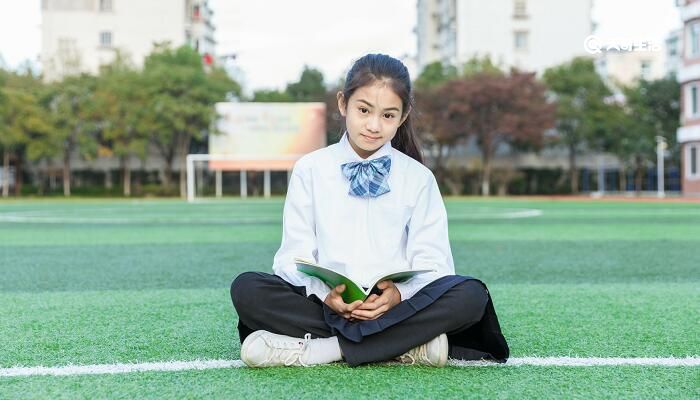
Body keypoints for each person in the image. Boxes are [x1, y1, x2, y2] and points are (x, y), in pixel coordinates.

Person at [231, 53, 509, 368]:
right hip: (326, 305)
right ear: (342, 104)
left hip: (397, 307)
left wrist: (399, 295)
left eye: (388, 115)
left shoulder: (418, 178)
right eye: (364, 110)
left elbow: (435, 263)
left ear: (403, 117)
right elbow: (291, 258)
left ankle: (326, 349)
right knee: (247, 288)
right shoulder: (310, 169)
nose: (374, 125)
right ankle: (404, 346)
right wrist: (327, 296)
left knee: (471, 295)